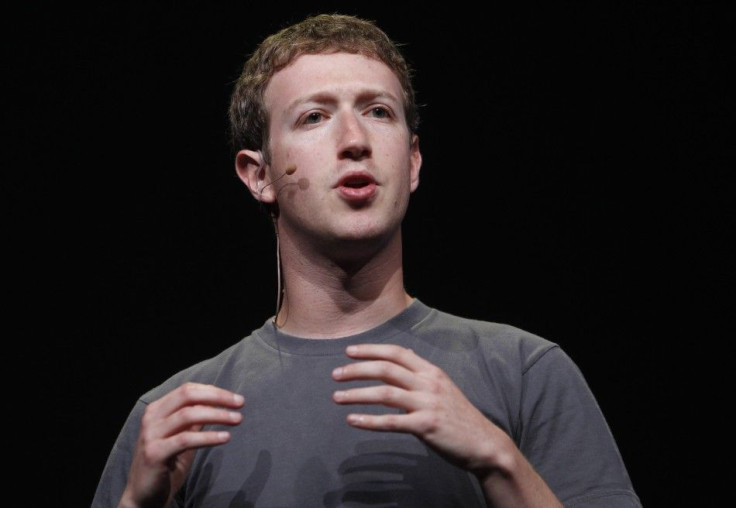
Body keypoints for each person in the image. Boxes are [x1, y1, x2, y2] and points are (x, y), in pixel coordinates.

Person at [92, 13, 641, 508]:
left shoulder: (524, 372)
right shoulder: (176, 420)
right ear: (259, 175)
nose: (354, 140)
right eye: (313, 117)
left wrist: (499, 460)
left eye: (379, 112)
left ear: (413, 161)